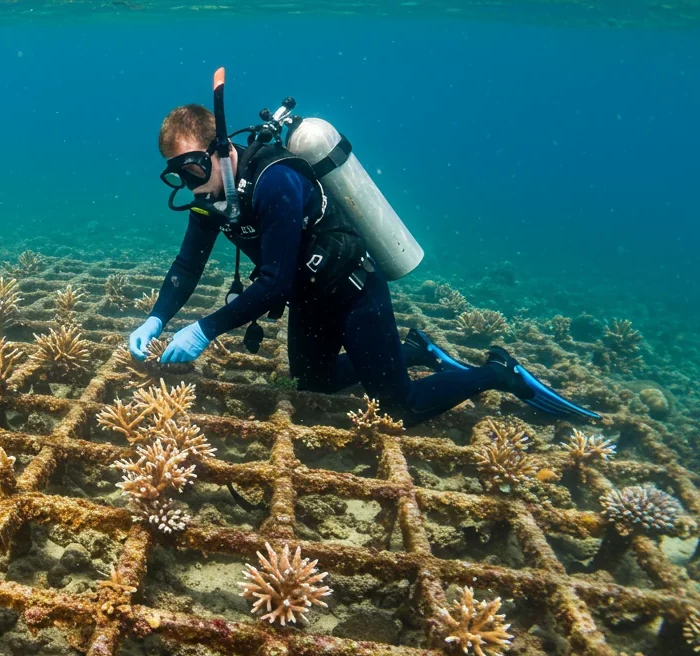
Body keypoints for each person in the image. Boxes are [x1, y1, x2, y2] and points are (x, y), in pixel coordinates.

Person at [131, 97, 597, 425]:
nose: (188, 182)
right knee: (311, 384)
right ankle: (415, 350)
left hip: (353, 290)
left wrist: (204, 329)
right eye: (176, 172)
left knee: (401, 409)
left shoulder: (274, 182)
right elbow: (187, 265)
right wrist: (157, 318)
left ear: (219, 150)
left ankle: (500, 372)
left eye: (192, 166)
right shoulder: (211, 196)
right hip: (309, 296)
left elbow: (272, 284)